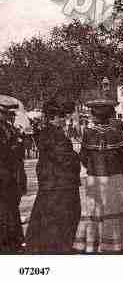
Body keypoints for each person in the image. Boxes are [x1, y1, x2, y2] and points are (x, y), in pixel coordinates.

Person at [73, 99, 123, 254]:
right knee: (114, 208)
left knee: (94, 209)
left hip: (95, 177)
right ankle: (116, 243)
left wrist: (91, 166)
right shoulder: (116, 133)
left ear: (94, 115)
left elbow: (83, 156)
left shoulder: (88, 133)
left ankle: (92, 243)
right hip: (114, 176)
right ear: (110, 115)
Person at [25, 100, 81, 253]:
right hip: (59, 181)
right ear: (54, 117)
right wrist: (76, 158)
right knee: (64, 214)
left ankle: (53, 245)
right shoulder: (53, 133)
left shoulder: (49, 132)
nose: (64, 119)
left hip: (52, 181)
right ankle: (59, 247)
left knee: (49, 214)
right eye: (61, 117)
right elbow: (64, 157)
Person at [0, 103, 25, 253]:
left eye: (10, 114)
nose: (9, 117)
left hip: (11, 172)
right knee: (5, 207)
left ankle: (14, 239)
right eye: (5, 114)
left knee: (12, 206)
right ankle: (6, 241)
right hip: (3, 172)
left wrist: (18, 143)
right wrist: (13, 146)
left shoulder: (9, 129)